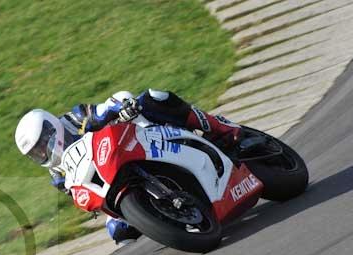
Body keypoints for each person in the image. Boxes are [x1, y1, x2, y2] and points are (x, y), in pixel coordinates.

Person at [14, 89, 242, 245]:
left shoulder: (74, 119)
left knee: (154, 97)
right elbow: (83, 194)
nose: (43, 151)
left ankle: (218, 126)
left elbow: (104, 109)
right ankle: (172, 216)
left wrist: (121, 107)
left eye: (43, 143)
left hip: (135, 140)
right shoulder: (57, 175)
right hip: (114, 182)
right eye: (36, 152)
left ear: (50, 127)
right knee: (120, 233)